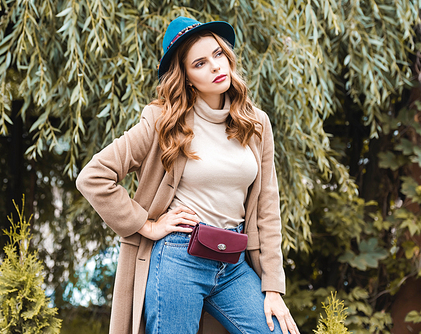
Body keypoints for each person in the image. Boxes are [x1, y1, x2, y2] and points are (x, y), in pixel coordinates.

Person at [76, 16, 300, 334]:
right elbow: (94, 176)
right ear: (187, 77)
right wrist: (146, 225)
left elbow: (267, 208)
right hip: (179, 257)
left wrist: (273, 288)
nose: (215, 66)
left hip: (234, 262)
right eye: (200, 63)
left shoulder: (256, 123)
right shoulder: (161, 122)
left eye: (218, 54)